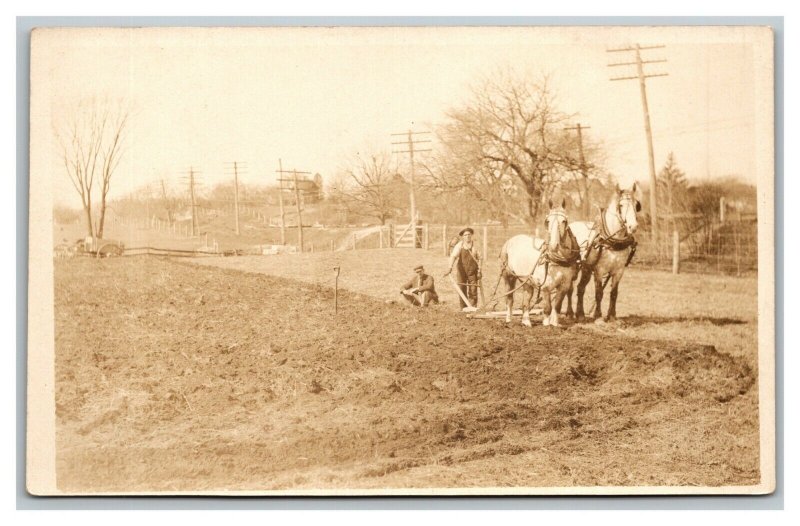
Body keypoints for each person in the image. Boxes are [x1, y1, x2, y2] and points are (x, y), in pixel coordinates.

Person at [444, 227, 481, 308]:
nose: (467, 236)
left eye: (469, 234)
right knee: (461, 288)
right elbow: (453, 256)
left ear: (471, 236)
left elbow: (480, 259)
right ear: (463, 237)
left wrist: (479, 271)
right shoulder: (459, 245)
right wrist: (450, 268)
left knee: (473, 289)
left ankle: (472, 307)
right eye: (465, 235)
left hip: (473, 270)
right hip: (461, 270)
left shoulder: (475, 245)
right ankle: (463, 307)